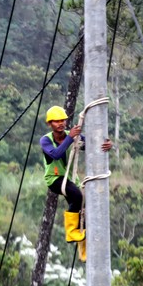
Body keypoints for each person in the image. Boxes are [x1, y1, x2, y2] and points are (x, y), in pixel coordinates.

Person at [40, 106, 112, 261]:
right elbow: (56, 155)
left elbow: (92, 145)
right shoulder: (46, 140)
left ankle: (84, 249)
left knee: (83, 210)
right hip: (55, 179)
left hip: (71, 179)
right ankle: (71, 232)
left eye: (62, 120)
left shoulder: (72, 136)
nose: (60, 123)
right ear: (50, 124)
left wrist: (106, 145)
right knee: (76, 196)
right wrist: (70, 138)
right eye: (56, 121)